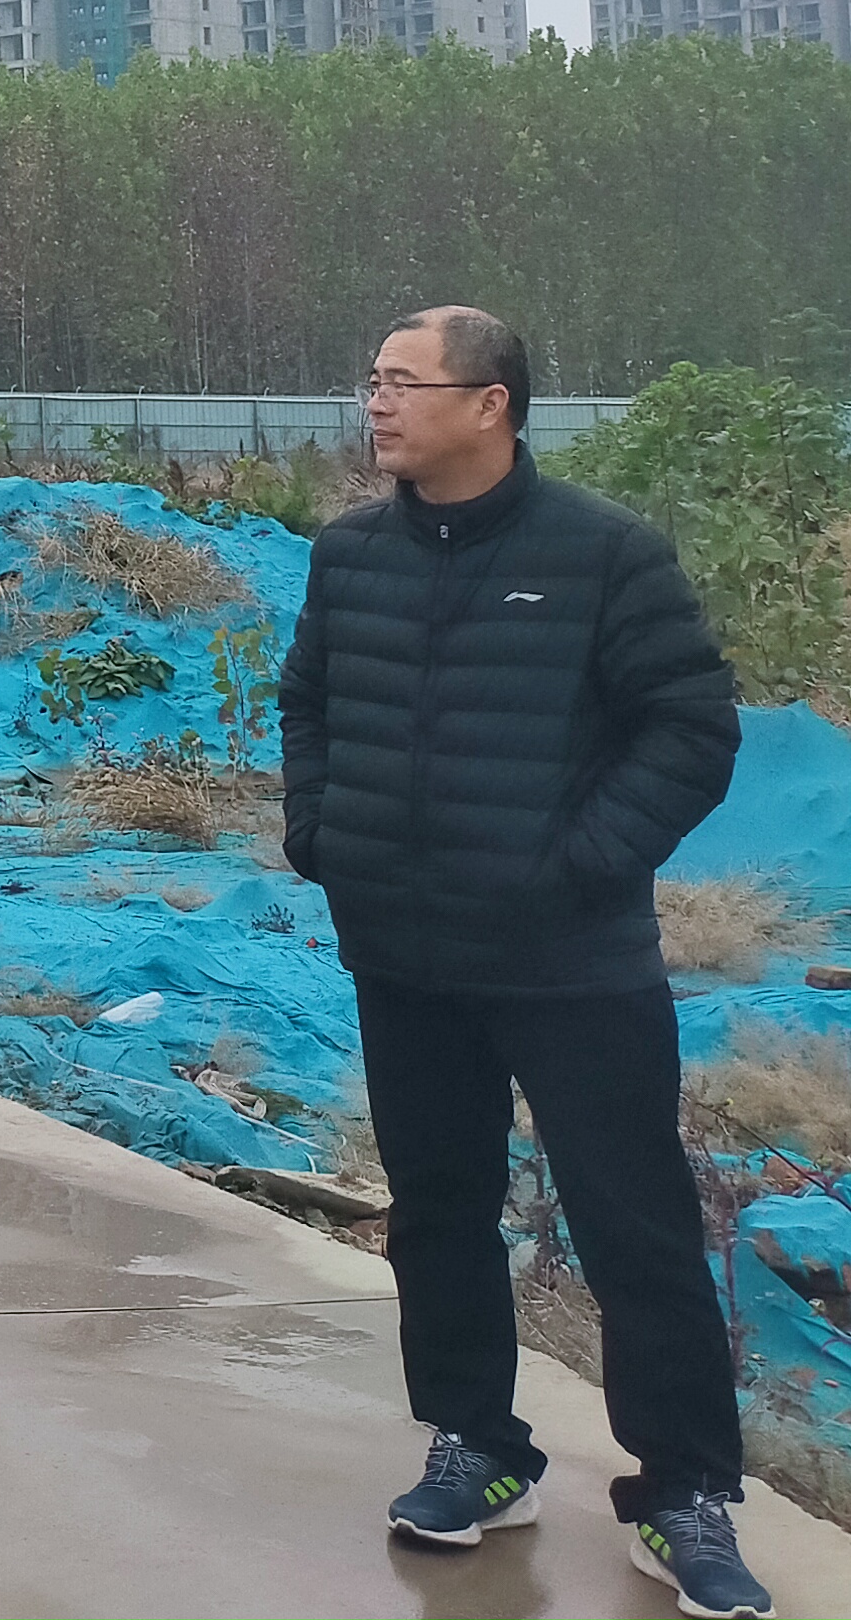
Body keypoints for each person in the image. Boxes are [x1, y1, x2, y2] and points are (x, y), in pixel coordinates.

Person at [283, 306, 769, 1617]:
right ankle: (476, 1448)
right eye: (372, 380)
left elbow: (691, 727)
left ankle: (684, 1495)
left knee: (633, 1225)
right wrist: (320, 833)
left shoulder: (602, 554)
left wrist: (578, 863)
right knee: (439, 1209)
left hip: (572, 968)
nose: (377, 403)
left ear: (488, 403)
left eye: (402, 382)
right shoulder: (350, 555)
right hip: (407, 956)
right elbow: (309, 698)